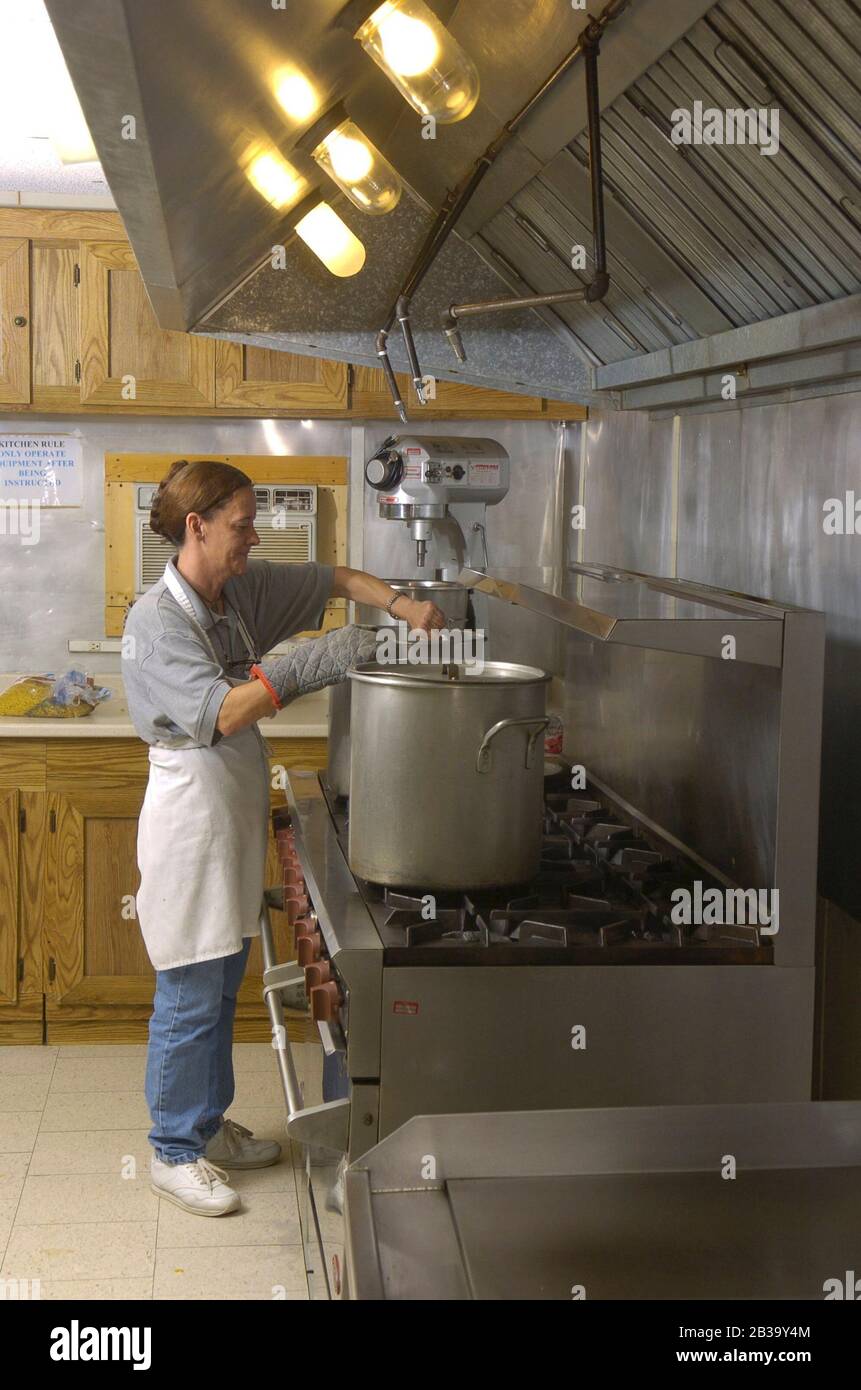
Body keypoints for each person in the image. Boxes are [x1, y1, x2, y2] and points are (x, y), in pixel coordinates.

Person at [122, 458, 444, 1216]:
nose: (254, 536)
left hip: (226, 811)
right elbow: (223, 714)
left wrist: (400, 604)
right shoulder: (157, 621)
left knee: (222, 974)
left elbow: (334, 576)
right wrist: (313, 662)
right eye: (241, 525)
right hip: (189, 817)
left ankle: (205, 1128)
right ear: (196, 526)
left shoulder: (233, 595)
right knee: (188, 988)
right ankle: (171, 1150)